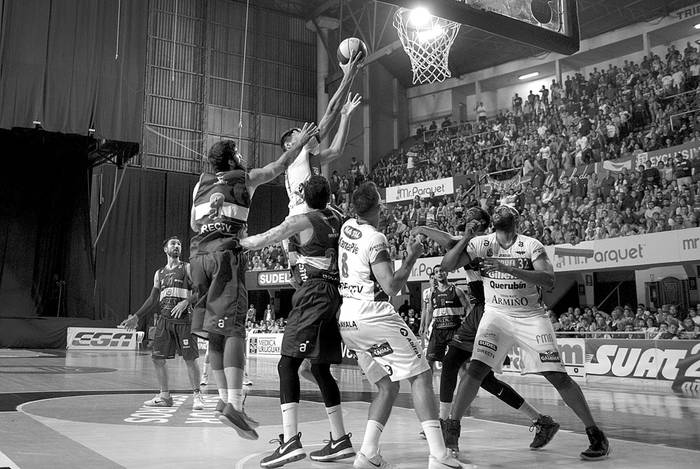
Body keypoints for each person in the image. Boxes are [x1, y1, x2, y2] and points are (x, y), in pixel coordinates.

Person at [440, 205, 610, 460]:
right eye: (496, 209)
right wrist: (465, 237)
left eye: (505, 209)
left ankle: (595, 433)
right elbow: (447, 264)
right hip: (496, 314)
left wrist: (507, 269)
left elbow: (549, 280)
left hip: (530, 316)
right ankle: (452, 430)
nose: (498, 210)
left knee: (556, 375)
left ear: (516, 220)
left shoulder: (531, 245)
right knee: (475, 369)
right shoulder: (480, 243)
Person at [189, 122, 319, 440]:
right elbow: (280, 166)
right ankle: (234, 403)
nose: (244, 156)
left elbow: (194, 223)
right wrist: (299, 144)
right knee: (234, 329)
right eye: (239, 152)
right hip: (224, 257)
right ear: (233, 160)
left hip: (198, 259)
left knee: (215, 335)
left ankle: (225, 401)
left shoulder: (199, 185)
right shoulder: (246, 179)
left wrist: (216, 216)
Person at [337, 182, 464, 469]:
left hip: (348, 319)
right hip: (372, 315)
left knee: (386, 387)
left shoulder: (347, 227)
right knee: (420, 375)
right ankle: (440, 455)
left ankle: (367, 454)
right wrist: (411, 257)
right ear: (377, 207)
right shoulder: (376, 237)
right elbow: (392, 286)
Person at [413, 209, 560, 454]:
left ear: (481, 224)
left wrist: (424, 229)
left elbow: (449, 243)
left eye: (470, 218)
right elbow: (450, 240)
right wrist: (425, 230)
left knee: (455, 364)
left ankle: (444, 420)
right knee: (479, 376)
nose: (464, 222)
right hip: (482, 310)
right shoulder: (473, 242)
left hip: (490, 309)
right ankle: (539, 420)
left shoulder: (481, 246)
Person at [241, 175, 354, 467]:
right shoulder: (340, 217)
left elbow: (267, 237)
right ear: (329, 195)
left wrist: (238, 244)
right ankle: (340, 440)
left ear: (303, 196)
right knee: (319, 369)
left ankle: (290, 441)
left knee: (286, 364)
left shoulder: (302, 221)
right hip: (335, 294)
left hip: (314, 294)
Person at [120, 236, 203, 411]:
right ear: (165, 249)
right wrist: (137, 316)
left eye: (179, 244)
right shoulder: (159, 273)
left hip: (184, 320)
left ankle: (197, 395)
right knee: (157, 358)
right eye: (173, 244)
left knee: (190, 358)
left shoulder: (187, 267)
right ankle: (165, 396)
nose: (177, 246)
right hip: (164, 321)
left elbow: (200, 290)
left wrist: (187, 301)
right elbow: (152, 299)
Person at [421, 266, 469, 371]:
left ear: (446, 273)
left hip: (455, 330)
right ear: (434, 275)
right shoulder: (432, 293)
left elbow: (468, 308)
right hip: (437, 331)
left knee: (461, 363)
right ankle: (429, 387)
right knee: (429, 362)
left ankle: (462, 387)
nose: (439, 273)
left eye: (441, 271)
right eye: (436, 272)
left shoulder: (457, 290)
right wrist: (425, 328)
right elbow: (429, 311)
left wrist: (467, 324)